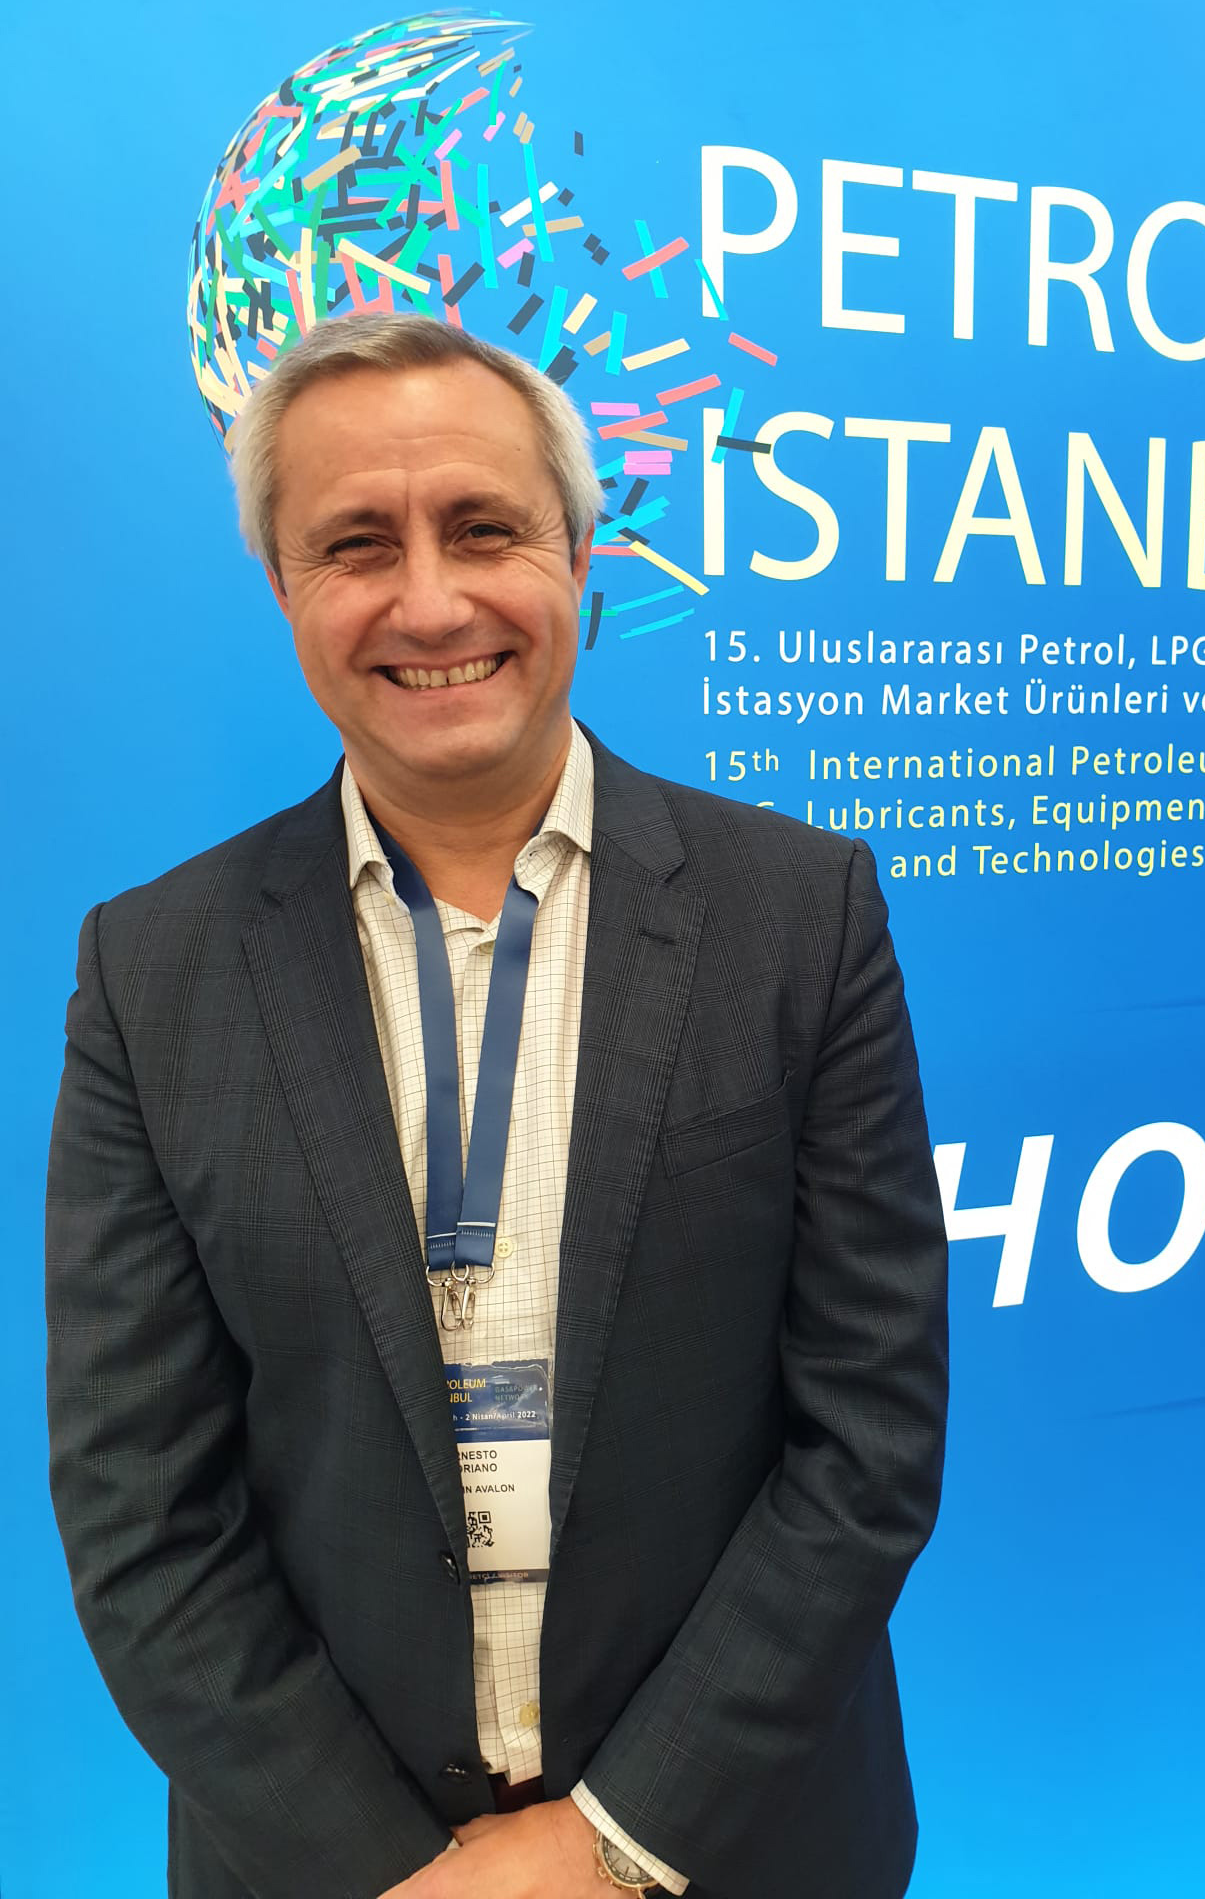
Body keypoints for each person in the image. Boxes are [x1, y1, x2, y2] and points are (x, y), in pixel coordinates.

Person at [45, 313, 949, 1899]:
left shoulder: (801, 918)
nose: (431, 602)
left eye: (483, 528)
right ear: (283, 588)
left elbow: (867, 1439)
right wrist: (401, 1877)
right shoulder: (152, 971)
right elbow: (141, 1507)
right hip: (327, 1865)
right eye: (356, 544)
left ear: (579, 557)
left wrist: (609, 1843)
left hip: (730, 1842)